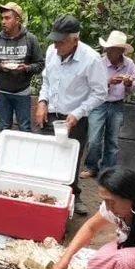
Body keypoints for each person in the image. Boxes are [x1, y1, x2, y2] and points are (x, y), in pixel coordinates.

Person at [34, 14, 107, 215]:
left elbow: (100, 92)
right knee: (42, 157)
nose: (56, 46)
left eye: (61, 42)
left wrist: (78, 113)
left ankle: (73, 197)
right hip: (49, 114)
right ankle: (42, 196)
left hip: (74, 120)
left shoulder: (91, 59)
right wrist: (42, 101)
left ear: (75, 39)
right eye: (55, 41)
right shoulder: (51, 51)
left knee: (70, 162)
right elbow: (46, 81)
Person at [83, 31, 135, 179]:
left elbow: (134, 87)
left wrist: (129, 83)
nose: (114, 51)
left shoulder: (129, 64)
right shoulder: (98, 62)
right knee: (94, 139)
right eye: (112, 48)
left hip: (117, 105)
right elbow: (89, 85)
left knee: (112, 141)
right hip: (98, 104)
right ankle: (91, 167)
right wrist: (108, 82)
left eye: (118, 48)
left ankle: (108, 171)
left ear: (122, 50)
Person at [0, 2, 43, 135]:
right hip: (2, 92)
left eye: (7, 18)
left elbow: (40, 64)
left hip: (22, 93)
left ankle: (24, 155)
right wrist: (0, 66)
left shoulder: (30, 39)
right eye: (2, 18)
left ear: (17, 20)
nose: (3, 21)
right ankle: (6, 155)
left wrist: (26, 68)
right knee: (4, 129)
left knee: (25, 128)